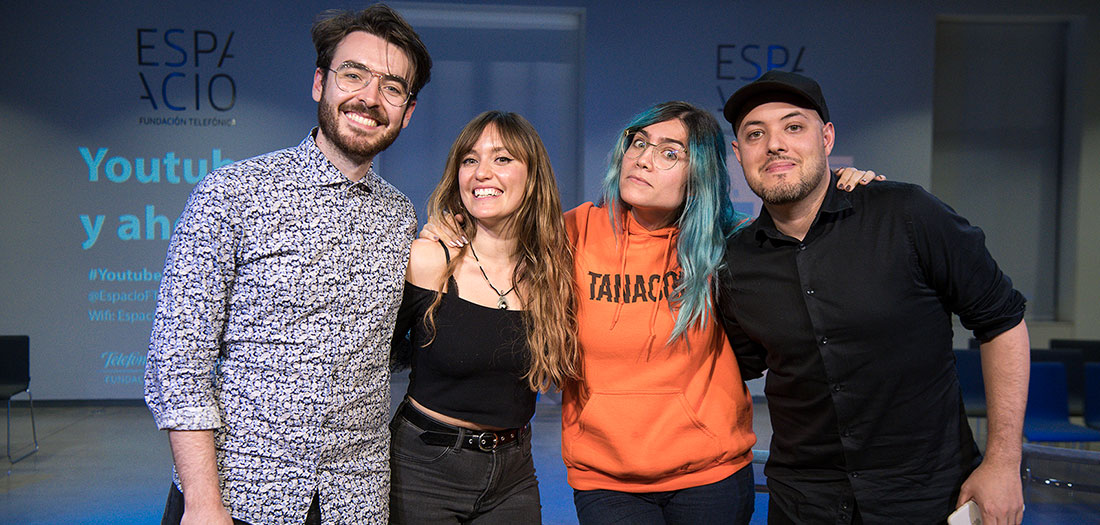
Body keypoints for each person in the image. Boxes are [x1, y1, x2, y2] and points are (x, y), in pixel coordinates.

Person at [424, 102, 876, 525]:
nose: (642, 159)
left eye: (669, 153)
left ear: (698, 172)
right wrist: (447, 226)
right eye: (638, 144)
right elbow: (498, 233)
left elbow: (807, 239)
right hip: (606, 480)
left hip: (710, 476)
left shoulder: (729, 243)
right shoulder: (572, 232)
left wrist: (847, 191)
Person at [143, 5, 431, 524]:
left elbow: (380, 352)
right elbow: (179, 360)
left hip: (355, 501)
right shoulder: (232, 194)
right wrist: (203, 503)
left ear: (407, 112)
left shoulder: (399, 215)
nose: (369, 97)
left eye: (392, 87)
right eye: (354, 74)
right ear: (320, 82)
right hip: (239, 495)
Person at [717, 70, 1029, 524]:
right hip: (803, 504)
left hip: (926, 498)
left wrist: (1002, 462)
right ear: (738, 153)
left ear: (827, 138)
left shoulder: (907, 214)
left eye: (794, 126)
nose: (775, 145)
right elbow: (732, 368)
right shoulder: (735, 261)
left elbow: (1002, 321)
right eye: (755, 134)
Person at [388, 111, 578, 523]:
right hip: (424, 469)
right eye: (469, 160)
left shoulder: (552, 273)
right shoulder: (428, 260)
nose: (481, 172)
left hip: (513, 474)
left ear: (532, 177)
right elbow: (378, 357)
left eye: (502, 159)